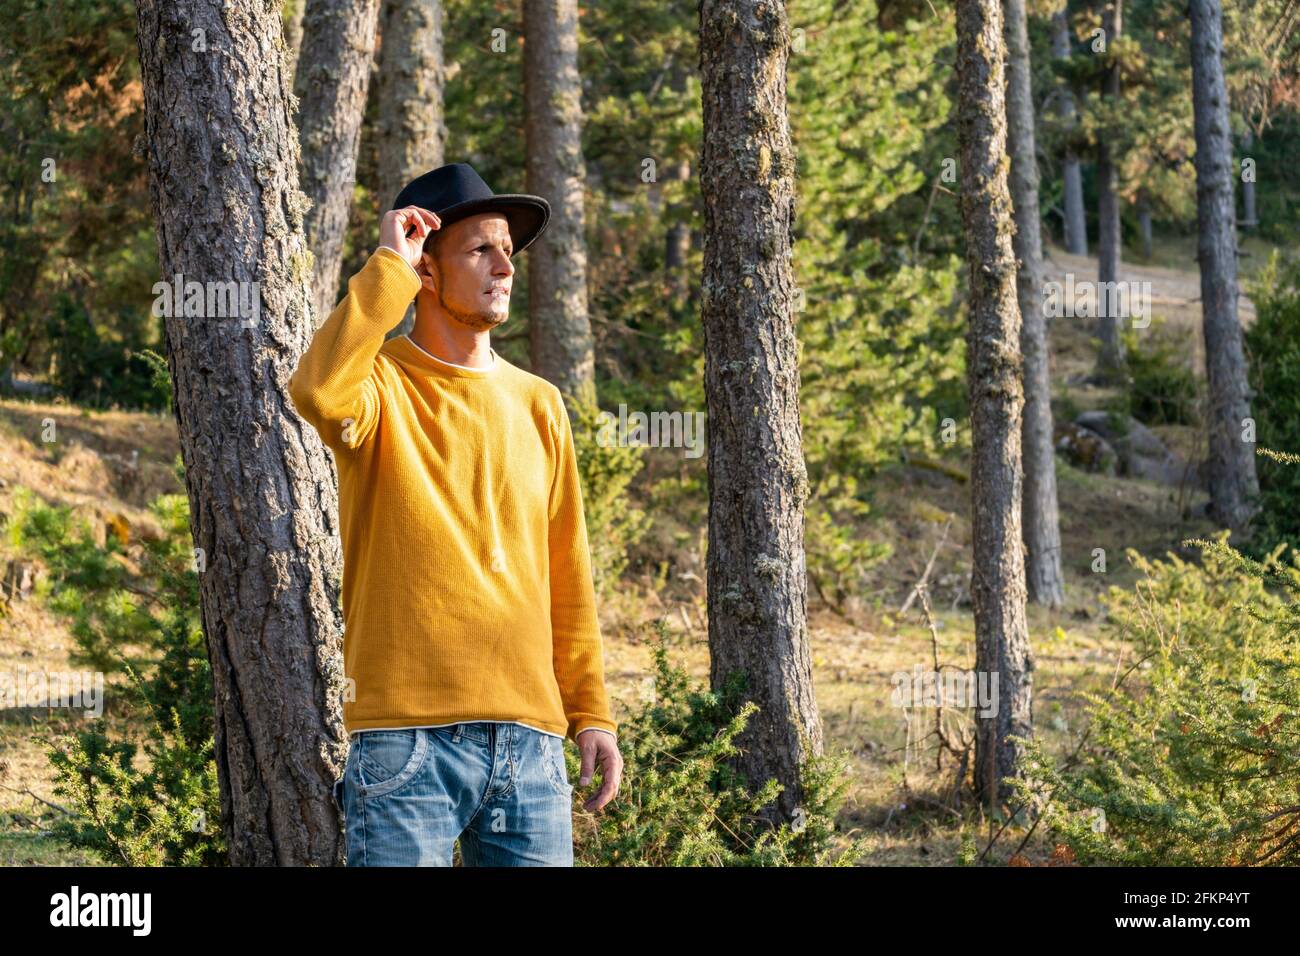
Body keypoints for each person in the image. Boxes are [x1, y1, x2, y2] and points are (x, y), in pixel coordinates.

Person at [288, 162, 623, 866]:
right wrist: (388, 268)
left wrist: (590, 710)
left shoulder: (540, 403)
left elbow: (568, 570)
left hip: (531, 744)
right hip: (405, 741)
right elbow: (316, 392)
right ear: (428, 274)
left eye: (508, 250)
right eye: (480, 249)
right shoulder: (378, 383)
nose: (505, 264)